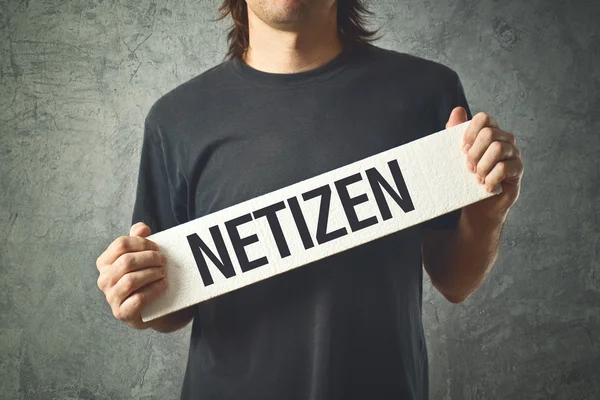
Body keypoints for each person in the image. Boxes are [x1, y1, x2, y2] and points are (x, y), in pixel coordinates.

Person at [95, 0, 524, 399]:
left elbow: (453, 281)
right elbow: (171, 304)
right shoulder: (176, 119)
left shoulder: (427, 91)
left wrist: (489, 210)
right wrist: (137, 296)